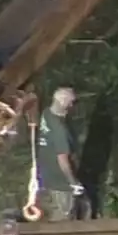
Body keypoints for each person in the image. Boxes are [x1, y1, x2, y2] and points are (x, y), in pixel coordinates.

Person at [35, 87, 84, 221]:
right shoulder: (60, 131)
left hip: (46, 176)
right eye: (71, 102)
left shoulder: (47, 114)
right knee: (63, 217)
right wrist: (72, 183)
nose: (72, 105)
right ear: (62, 101)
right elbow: (63, 160)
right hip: (61, 183)